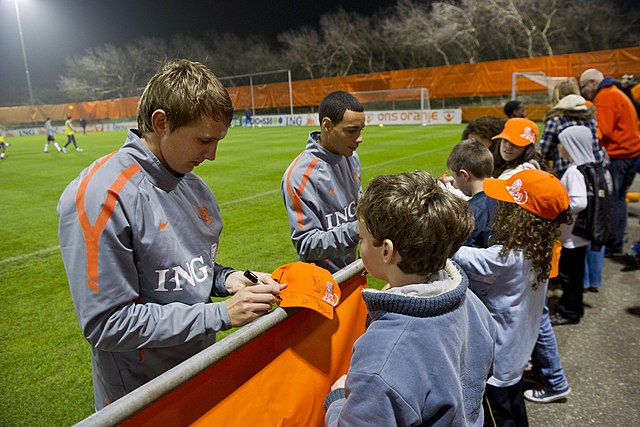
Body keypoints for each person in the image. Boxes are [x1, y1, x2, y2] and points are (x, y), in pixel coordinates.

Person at [57, 59, 286, 410]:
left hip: (201, 370)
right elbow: (108, 324)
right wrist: (220, 315)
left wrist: (229, 280)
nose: (212, 155)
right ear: (160, 122)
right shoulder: (100, 195)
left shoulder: (193, 186)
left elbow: (187, 269)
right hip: (142, 397)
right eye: (204, 140)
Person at [324, 171, 496, 426]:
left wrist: (338, 400)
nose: (360, 246)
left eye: (362, 238)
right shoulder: (471, 302)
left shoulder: (382, 359)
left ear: (386, 250)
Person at [453, 169, 572, 426]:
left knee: (497, 416)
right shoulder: (539, 247)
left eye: (507, 203)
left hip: (496, 361)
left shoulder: (504, 258)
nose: (499, 207)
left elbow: (454, 253)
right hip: (516, 352)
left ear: (520, 216)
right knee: (514, 409)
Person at [281, 91, 365, 273]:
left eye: (361, 130)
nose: (359, 138)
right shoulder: (299, 176)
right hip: (323, 286)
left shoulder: (352, 157)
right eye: (351, 131)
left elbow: (356, 208)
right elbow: (306, 245)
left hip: (354, 273)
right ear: (327, 125)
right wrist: (359, 230)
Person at [580, 68, 640, 256]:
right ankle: (617, 241)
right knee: (620, 199)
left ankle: (613, 243)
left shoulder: (605, 97)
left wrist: (582, 141)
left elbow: (602, 131)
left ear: (592, 83)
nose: (584, 92)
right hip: (631, 153)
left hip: (619, 156)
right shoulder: (616, 92)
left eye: (584, 87)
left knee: (613, 200)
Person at [551, 126, 593, 325]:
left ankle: (570, 312)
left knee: (570, 276)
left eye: (562, 143)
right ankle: (573, 307)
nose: (559, 146)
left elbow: (579, 202)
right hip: (578, 234)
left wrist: (558, 211)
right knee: (574, 275)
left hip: (571, 235)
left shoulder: (574, 171)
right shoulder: (588, 166)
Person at [538, 82, 607, 178]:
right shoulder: (590, 117)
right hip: (593, 167)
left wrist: (556, 152)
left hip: (566, 169)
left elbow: (543, 150)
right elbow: (595, 144)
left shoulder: (555, 120)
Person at [447, 139, 497, 248]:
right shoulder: (508, 195)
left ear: (465, 175)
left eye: (455, 177)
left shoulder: (470, 212)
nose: (455, 182)